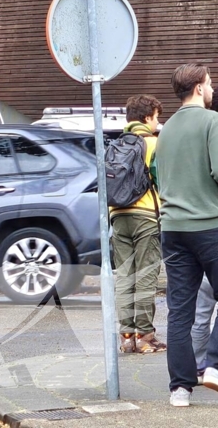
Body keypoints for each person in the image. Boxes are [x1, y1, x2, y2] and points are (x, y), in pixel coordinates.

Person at [154, 63, 218, 406]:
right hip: (210, 225)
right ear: (197, 88)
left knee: (179, 311)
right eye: (209, 84)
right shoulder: (212, 122)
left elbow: (160, 177)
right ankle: (214, 366)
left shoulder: (165, 130)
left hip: (173, 229)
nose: (211, 89)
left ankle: (180, 389)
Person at [111, 94, 166, 354]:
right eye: (156, 117)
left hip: (117, 216)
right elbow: (162, 180)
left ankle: (126, 336)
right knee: (145, 275)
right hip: (145, 216)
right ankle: (145, 336)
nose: (158, 122)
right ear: (147, 118)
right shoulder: (154, 144)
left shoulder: (115, 144)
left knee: (124, 276)